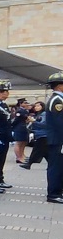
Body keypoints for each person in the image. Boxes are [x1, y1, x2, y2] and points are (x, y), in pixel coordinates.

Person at [44, 73, 63, 203]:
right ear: (60, 86)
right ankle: (53, 194)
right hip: (58, 139)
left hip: (59, 138)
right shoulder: (57, 100)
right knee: (56, 167)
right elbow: (59, 122)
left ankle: (58, 191)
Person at [0, 81, 14, 191]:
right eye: (5, 92)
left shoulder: (3, 104)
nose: (7, 94)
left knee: (1, 160)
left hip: (4, 137)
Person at [21, 101, 47, 169]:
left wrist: (34, 121)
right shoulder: (38, 114)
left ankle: (29, 164)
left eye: (38, 106)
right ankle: (53, 164)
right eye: (35, 106)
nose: (36, 107)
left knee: (36, 150)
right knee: (46, 152)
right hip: (39, 134)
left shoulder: (44, 114)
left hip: (43, 134)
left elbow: (44, 125)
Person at [13, 99, 31, 164]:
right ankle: (19, 157)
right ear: (21, 104)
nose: (27, 104)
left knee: (23, 142)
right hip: (19, 128)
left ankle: (22, 155)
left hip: (24, 127)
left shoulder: (25, 110)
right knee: (19, 143)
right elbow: (16, 120)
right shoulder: (19, 111)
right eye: (25, 103)